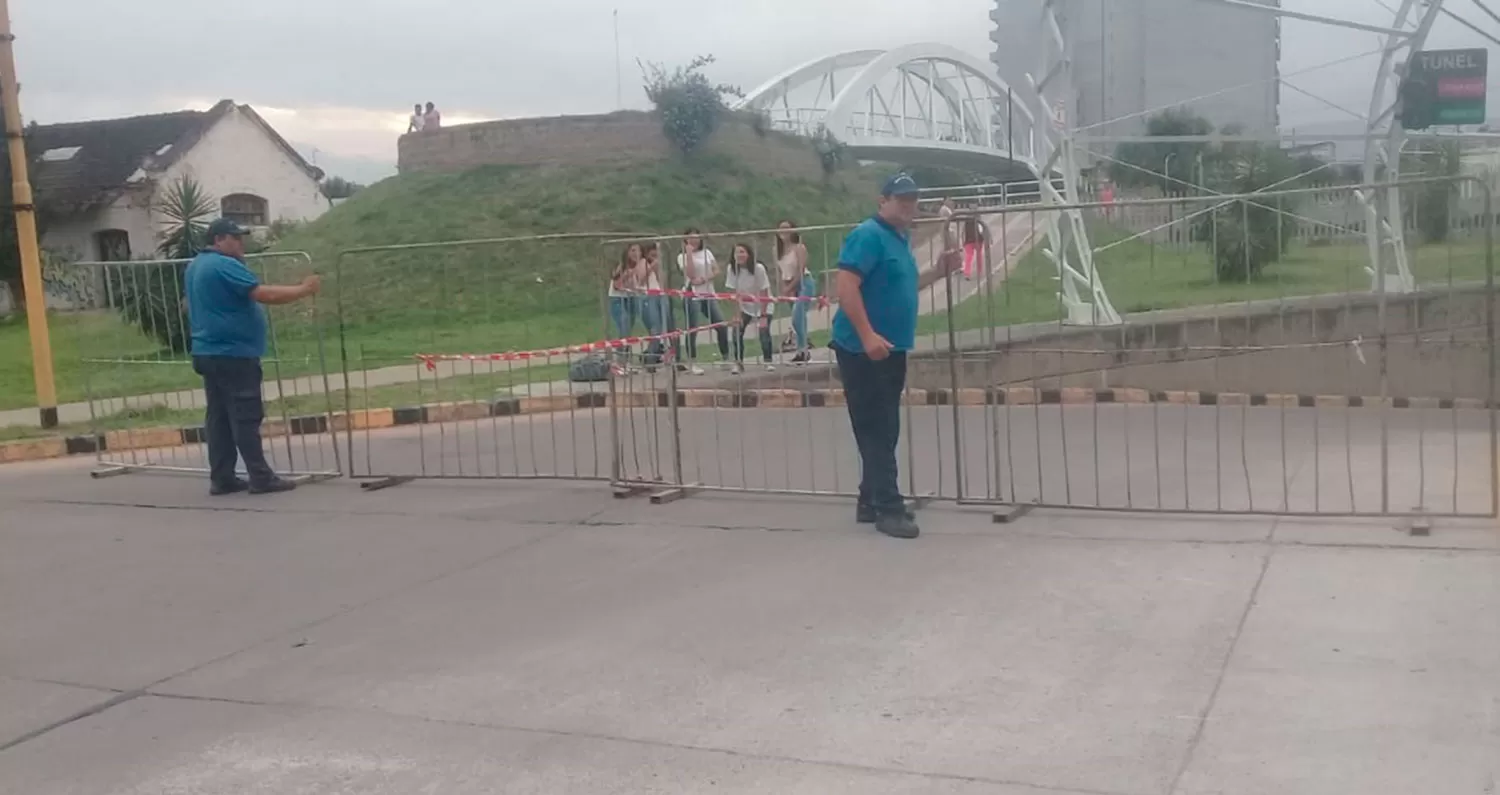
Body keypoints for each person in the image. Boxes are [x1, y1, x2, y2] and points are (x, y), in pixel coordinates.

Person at [185, 218, 321, 496]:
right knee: (245, 416)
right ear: (219, 240)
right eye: (236, 238)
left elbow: (186, 305)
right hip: (233, 353)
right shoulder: (224, 265)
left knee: (219, 417)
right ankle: (260, 476)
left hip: (207, 351)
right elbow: (263, 293)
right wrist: (303, 290)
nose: (241, 243)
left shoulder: (195, 265)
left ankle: (222, 477)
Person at [831, 172, 922, 539]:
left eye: (912, 199)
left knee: (885, 427)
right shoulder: (868, 235)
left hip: (891, 347)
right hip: (863, 349)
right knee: (876, 427)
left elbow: (901, 286)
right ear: (882, 201)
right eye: (901, 199)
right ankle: (888, 507)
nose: (908, 206)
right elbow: (846, 286)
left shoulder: (899, 239)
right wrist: (867, 335)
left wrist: (938, 271)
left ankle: (870, 500)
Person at [677, 228, 728, 374]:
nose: (694, 240)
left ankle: (726, 357)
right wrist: (689, 254)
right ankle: (692, 361)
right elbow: (690, 274)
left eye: (696, 237)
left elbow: (716, 270)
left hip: (708, 291)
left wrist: (706, 278)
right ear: (685, 240)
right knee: (693, 328)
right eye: (690, 238)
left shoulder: (707, 252)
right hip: (692, 293)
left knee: (721, 324)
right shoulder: (682, 256)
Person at [724, 242, 775, 375]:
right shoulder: (732, 269)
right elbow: (732, 293)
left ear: (749, 254)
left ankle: (768, 361)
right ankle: (738, 363)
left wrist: (763, 315)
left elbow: (764, 291)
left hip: (763, 304)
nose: (739, 255)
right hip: (745, 306)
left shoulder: (759, 268)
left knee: (764, 332)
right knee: (736, 331)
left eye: (742, 252)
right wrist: (736, 315)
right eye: (737, 252)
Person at [776, 220, 814, 365]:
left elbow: (800, 269)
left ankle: (804, 349)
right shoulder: (778, 250)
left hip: (804, 282)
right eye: (781, 229)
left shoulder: (799, 248)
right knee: (799, 319)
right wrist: (784, 289)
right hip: (788, 284)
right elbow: (781, 272)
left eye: (787, 229)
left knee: (797, 317)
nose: (783, 232)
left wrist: (791, 286)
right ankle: (800, 351)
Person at [608, 242, 643, 366]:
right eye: (633, 251)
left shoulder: (639, 266)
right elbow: (617, 285)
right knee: (625, 324)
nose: (636, 254)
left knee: (628, 331)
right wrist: (629, 274)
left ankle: (625, 360)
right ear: (627, 253)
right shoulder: (622, 267)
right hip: (618, 299)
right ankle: (620, 360)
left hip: (631, 299)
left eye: (638, 251)